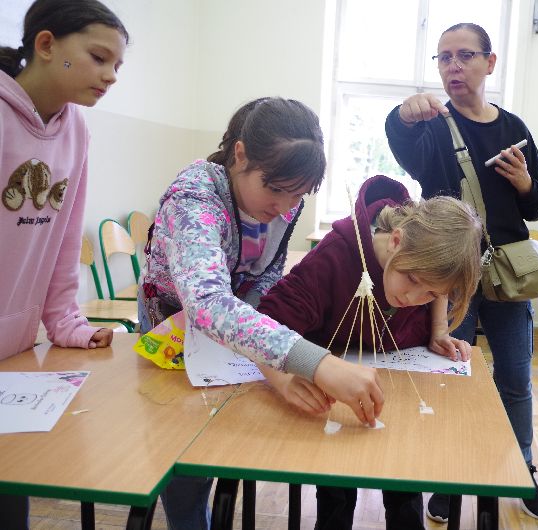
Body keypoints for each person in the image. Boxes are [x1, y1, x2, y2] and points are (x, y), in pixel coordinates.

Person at [139, 97, 384, 530]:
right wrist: (314, 361)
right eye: (276, 190)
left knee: (226, 434)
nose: (285, 206)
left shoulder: (284, 200)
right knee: (185, 452)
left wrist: (274, 368)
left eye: (299, 194)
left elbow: (267, 276)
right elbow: (207, 303)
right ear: (240, 155)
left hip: (235, 332)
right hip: (172, 330)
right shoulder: (193, 198)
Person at [384, 22, 538, 521]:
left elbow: (537, 206)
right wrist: (402, 115)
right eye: (444, 58)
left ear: (490, 62)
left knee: (516, 379)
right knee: (450, 375)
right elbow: (401, 140)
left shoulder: (514, 127)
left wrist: (524, 183)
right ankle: (448, 476)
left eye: (464, 55)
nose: (453, 66)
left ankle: (522, 470)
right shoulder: (433, 126)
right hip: (451, 274)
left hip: (507, 275)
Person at [258, 174, 483, 530]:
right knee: (336, 492)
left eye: (429, 293)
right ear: (396, 240)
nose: (411, 298)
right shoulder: (335, 255)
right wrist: (285, 378)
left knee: (405, 487)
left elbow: (436, 284)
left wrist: (439, 328)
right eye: (411, 280)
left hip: (400, 382)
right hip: (335, 388)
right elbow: (265, 324)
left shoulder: (420, 272)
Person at [0, 0, 128, 527]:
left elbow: (63, 240)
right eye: (99, 57)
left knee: (12, 495)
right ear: (47, 45)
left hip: (14, 354)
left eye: (117, 65)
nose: (111, 75)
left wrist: (67, 322)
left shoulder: (76, 129)